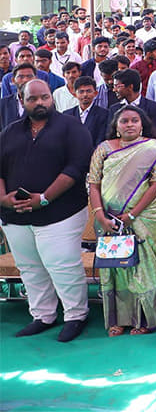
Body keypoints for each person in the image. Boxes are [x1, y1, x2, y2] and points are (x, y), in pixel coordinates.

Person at [0, 80, 93, 341]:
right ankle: (43, 315)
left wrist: (44, 198)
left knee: (61, 264)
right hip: (16, 214)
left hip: (60, 212)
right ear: (22, 99)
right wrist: (4, 199)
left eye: (45, 97)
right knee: (29, 266)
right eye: (33, 99)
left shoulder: (72, 128)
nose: (40, 103)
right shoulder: (9, 132)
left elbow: (76, 168)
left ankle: (76, 315)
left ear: (52, 98)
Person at [86, 105, 156, 336]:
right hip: (108, 220)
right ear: (116, 126)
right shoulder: (103, 149)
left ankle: (145, 319)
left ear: (142, 124)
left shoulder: (154, 150)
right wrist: (100, 215)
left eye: (134, 120)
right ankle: (117, 320)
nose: (130, 124)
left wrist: (132, 215)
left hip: (145, 217)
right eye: (125, 121)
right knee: (114, 268)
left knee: (143, 267)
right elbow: (94, 183)